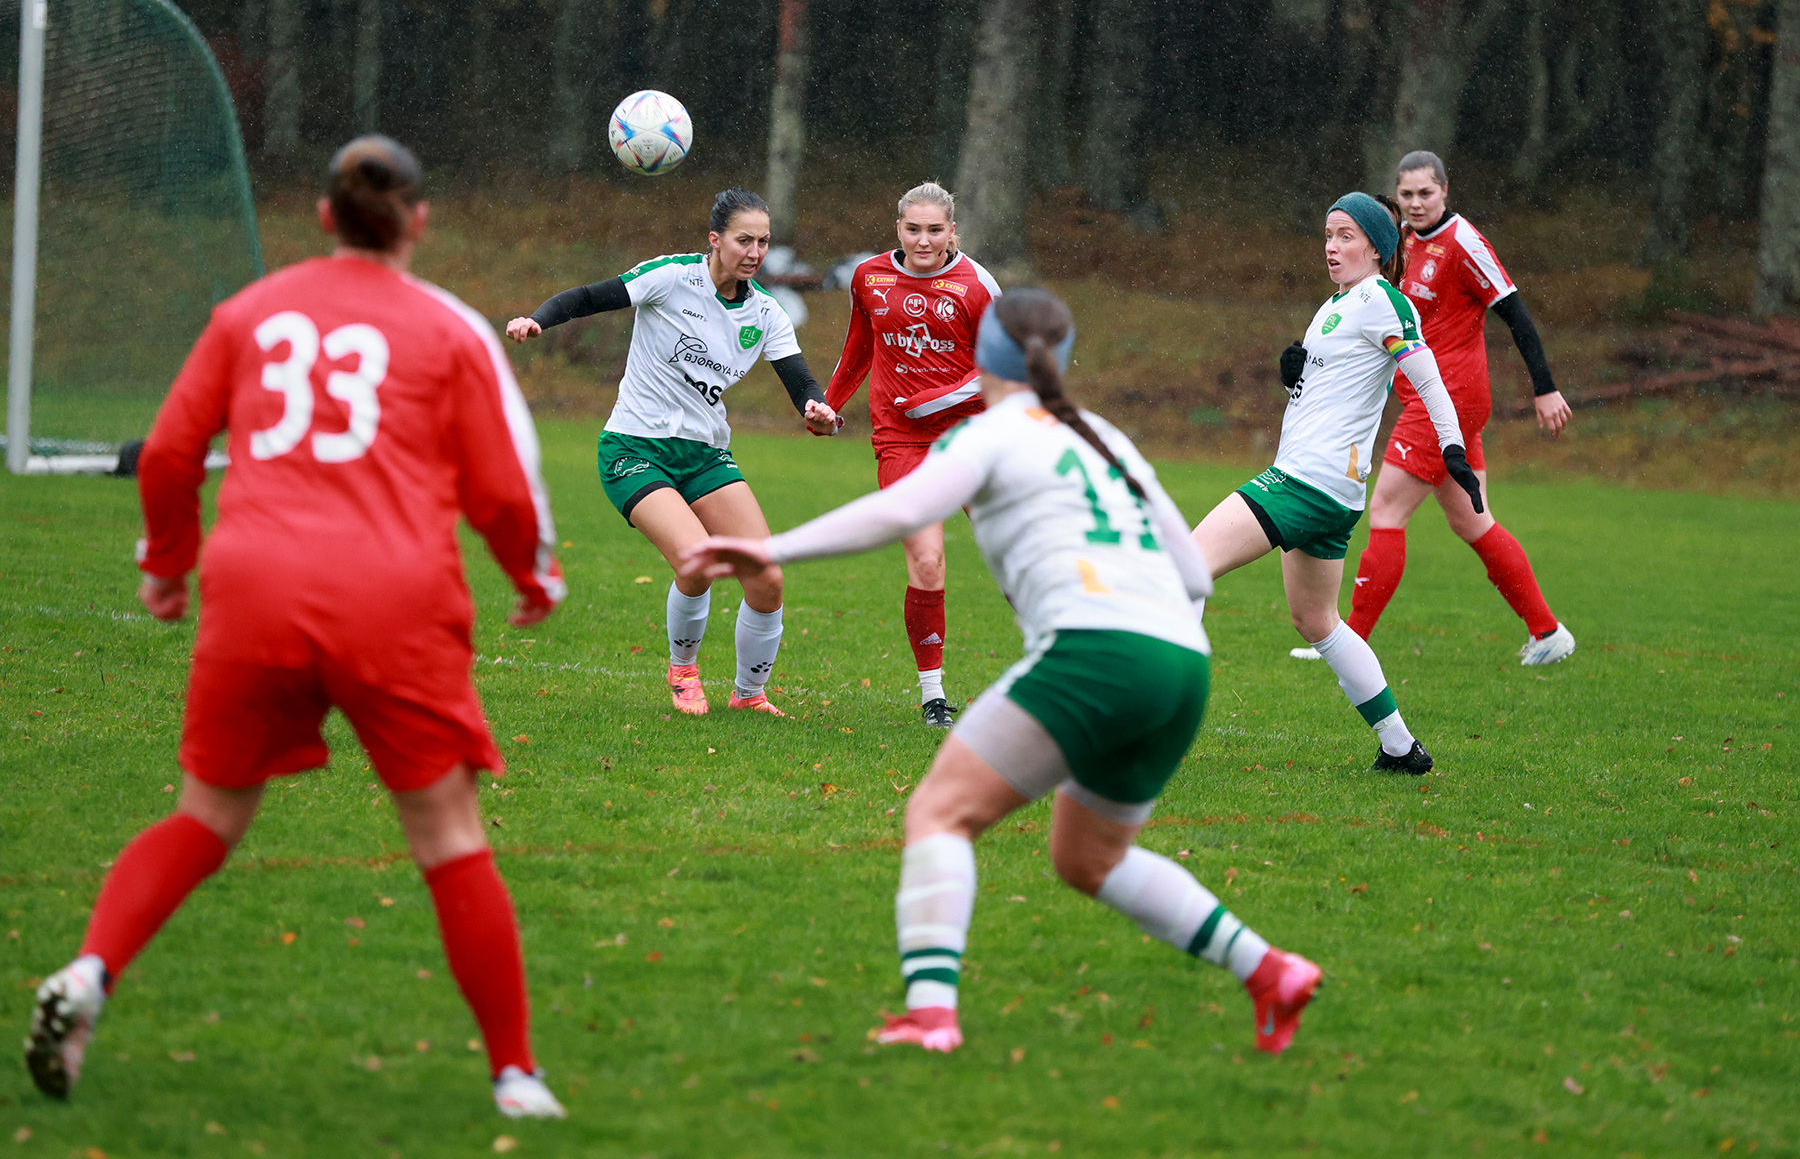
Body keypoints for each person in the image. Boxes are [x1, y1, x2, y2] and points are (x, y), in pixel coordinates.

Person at [25, 137, 569, 1119]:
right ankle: (516, 1075)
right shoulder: (445, 330)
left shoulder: (249, 312)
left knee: (205, 816)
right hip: (391, 596)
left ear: (322, 216)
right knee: (447, 835)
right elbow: (497, 486)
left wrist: (165, 567)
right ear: (419, 222)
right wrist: (533, 575)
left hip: (255, 588)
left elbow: (171, 454)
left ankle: (92, 973)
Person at [681, 288, 1322, 1056]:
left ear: (981, 356)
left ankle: (929, 1015)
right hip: (1181, 663)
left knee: (939, 814)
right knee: (1088, 859)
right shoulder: (1105, 435)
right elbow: (1195, 571)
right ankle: (1269, 970)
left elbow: (897, 512)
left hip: (1096, 653)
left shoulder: (986, 437)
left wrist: (770, 549)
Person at [506, 189, 838, 718]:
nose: (754, 252)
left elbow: (801, 383)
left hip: (705, 455)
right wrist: (538, 319)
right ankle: (683, 669)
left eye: (763, 242)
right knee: (696, 560)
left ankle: (749, 695)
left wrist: (816, 410)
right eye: (743, 239)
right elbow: (590, 298)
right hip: (634, 448)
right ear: (715, 239)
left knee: (767, 576)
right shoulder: (671, 276)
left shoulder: (766, 313)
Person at [1193, 192, 1481, 777]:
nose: (1332, 245)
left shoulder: (1382, 301)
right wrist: (1298, 374)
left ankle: (1151, 723)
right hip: (1332, 489)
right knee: (1317, 621)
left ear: (1377, 246)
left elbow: (1426, 378)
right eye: (1328, 234)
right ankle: (1400, 747)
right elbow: (1338, 384)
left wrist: (1452, 445)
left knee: (1184, 568)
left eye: (1346, 235)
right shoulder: (1341, 302)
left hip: (1306, 481)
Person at [1329, 150, 1575, 665]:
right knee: (1472, 522)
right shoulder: (1401, 243)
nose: (1416, 204)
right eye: (1407, 194)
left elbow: (1517, 314)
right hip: (1432, 398)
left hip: (1450, 400)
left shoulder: (1464, 242)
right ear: (1395, 196)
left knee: (1386, 509)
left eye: (1426, 193)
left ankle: (1349, 642)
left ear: (1445, 191)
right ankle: (1547, 632)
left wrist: (1545, 387)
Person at [823, 182, 1001, 727]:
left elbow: (1000, 371)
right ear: (897, 228)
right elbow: (859, 346)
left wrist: (935, 400)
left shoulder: (977, 286)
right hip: (900, 440)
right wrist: (826, 405)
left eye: (935, 230)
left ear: (954, 232)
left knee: (1017, 559)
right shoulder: (868, 277)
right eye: (913, 229)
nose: (924, 240)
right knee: (926, 560)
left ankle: (1063, 677)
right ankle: (933, 697)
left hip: (974, 437)